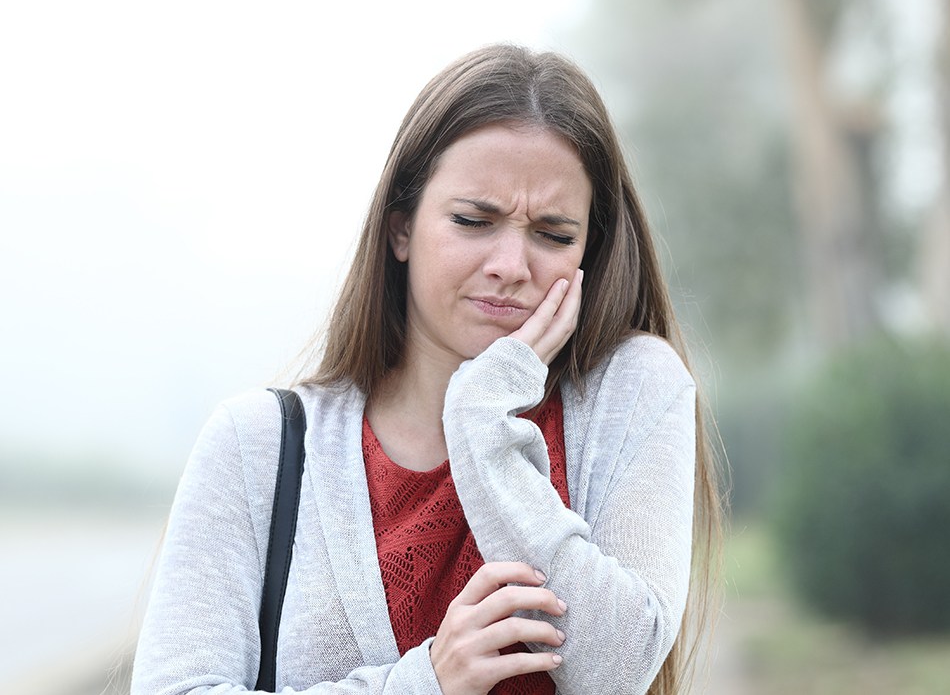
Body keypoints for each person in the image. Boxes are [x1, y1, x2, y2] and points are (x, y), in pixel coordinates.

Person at [131, 43, 724, 695]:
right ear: (400, 230)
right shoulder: (255, 446)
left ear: (592, 248)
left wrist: (482, 418)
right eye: (474, 220)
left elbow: (616, 669)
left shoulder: (632, 392)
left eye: (553, 234)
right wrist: (425, 683)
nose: (511, 264)